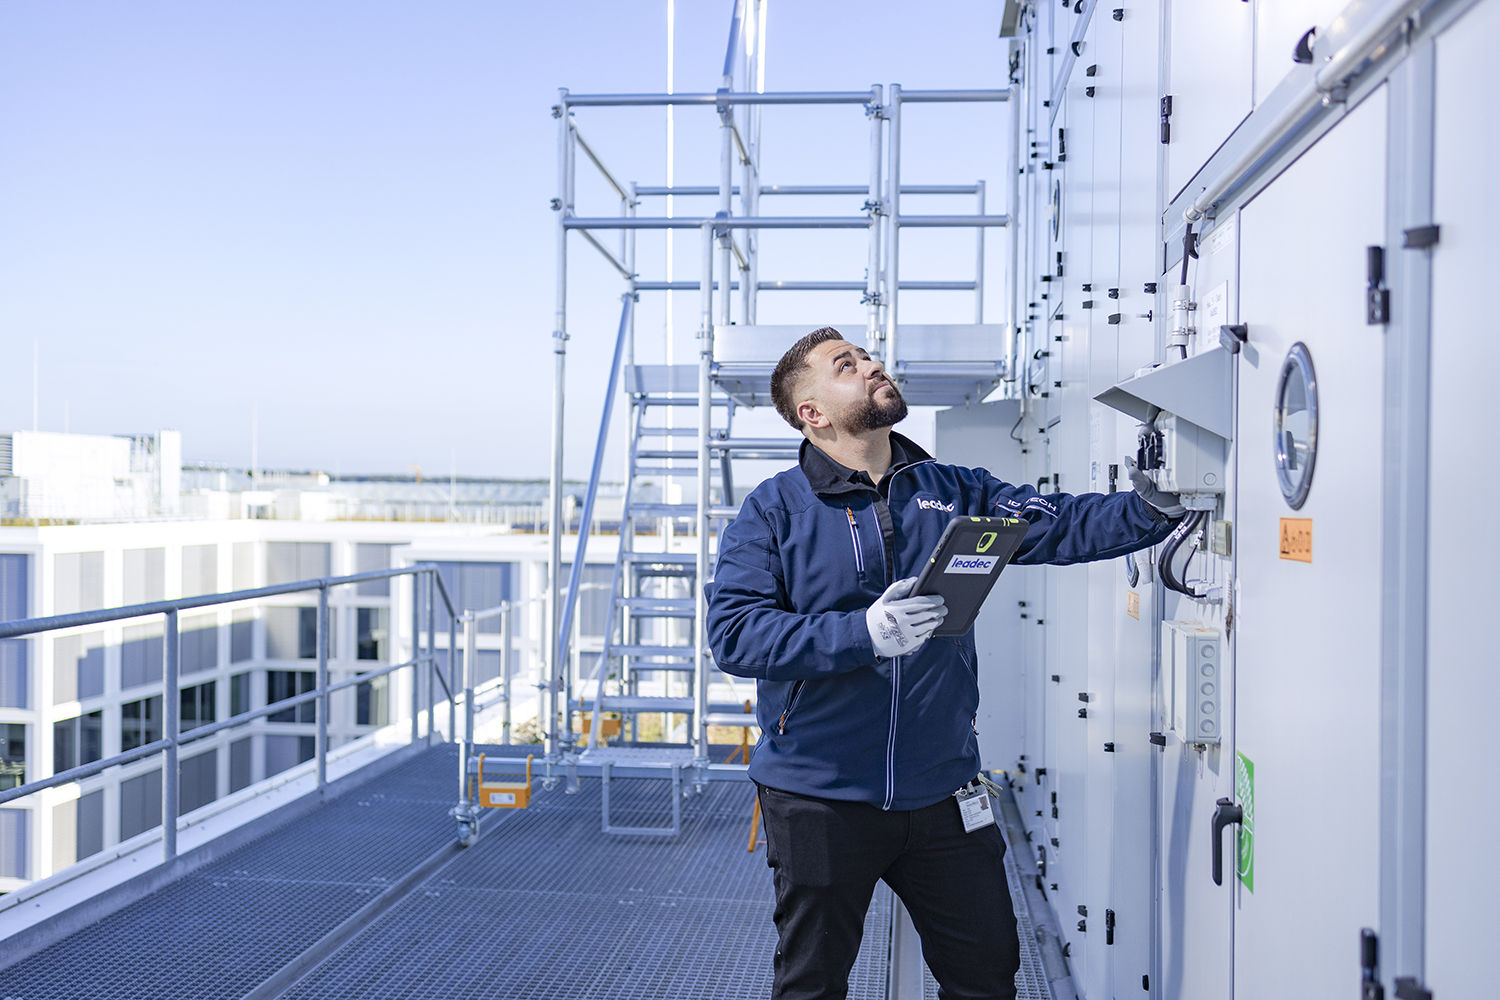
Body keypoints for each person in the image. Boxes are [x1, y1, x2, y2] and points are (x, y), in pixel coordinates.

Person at [705, 327, 1183, 1000]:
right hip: (820, 797)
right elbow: (736, 634)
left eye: (867, 354)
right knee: (812, 984)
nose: (872, 364)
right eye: (847, 365)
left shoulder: (951, 490)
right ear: (811, 414)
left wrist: (1150, 510)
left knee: (986, 976)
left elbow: (1061, 522)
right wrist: (863, 631)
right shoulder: (775, 511)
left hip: (944, 790)